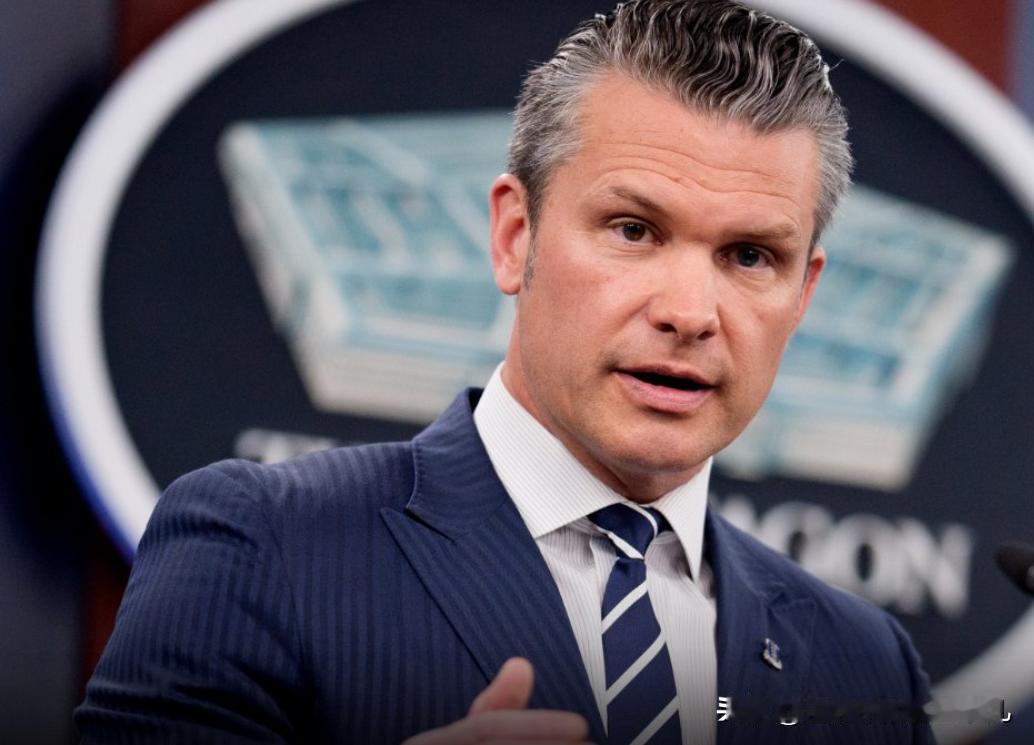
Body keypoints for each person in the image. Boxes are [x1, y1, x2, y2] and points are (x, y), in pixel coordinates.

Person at [77, 1, 935, 743]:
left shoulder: (866, 664)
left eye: (749, 255)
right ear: (513, 235)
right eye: (633, 230)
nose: (689, 312)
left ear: (803, 293)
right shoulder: (263, 544)